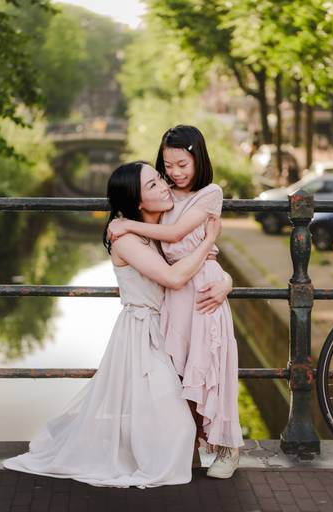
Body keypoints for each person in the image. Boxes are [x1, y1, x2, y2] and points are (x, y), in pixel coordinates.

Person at [3, 161, 223, 488]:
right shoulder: (122, 236)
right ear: (136, 202)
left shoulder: (158, 226)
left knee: (174, 414)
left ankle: (153, 448)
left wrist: (226, 282)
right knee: (178, 425)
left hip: (170, 329)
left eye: (160, 179)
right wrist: (209, 240)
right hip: (141, 333)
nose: (164, 186)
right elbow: (175, 278)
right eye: (152, 185)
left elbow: (207, 268)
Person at [108, 125, 244, 479]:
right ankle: (193, 445)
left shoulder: (210, 193)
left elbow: (175, 234)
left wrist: (128, 227)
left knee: (212, 367)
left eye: (183, 164)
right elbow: (166, 250)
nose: (176, 173)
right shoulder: (165, 194)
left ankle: (229, 447)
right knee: (182, 371)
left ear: (198, 158)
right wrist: (128, 225)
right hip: (176, 294)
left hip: (203, 290)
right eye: (168, 166)